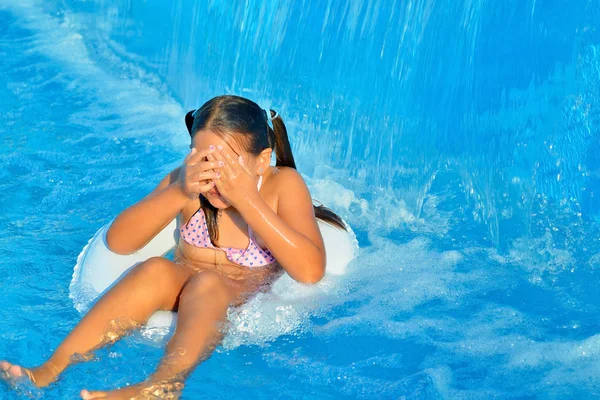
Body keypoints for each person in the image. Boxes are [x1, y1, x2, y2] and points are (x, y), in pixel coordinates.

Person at [0, 95, 346, 399]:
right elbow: (120, 242)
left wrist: (246, 199)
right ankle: (50, 368)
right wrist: (180, 191)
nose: (214, 174)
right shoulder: (187, 184)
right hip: (182, 283)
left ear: (261, 161)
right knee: (152, 269)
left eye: (227, 163)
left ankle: (164, 385)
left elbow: (310, 270)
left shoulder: (281, 186)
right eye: (203, 159)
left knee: (208, 283)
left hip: (237, 295)